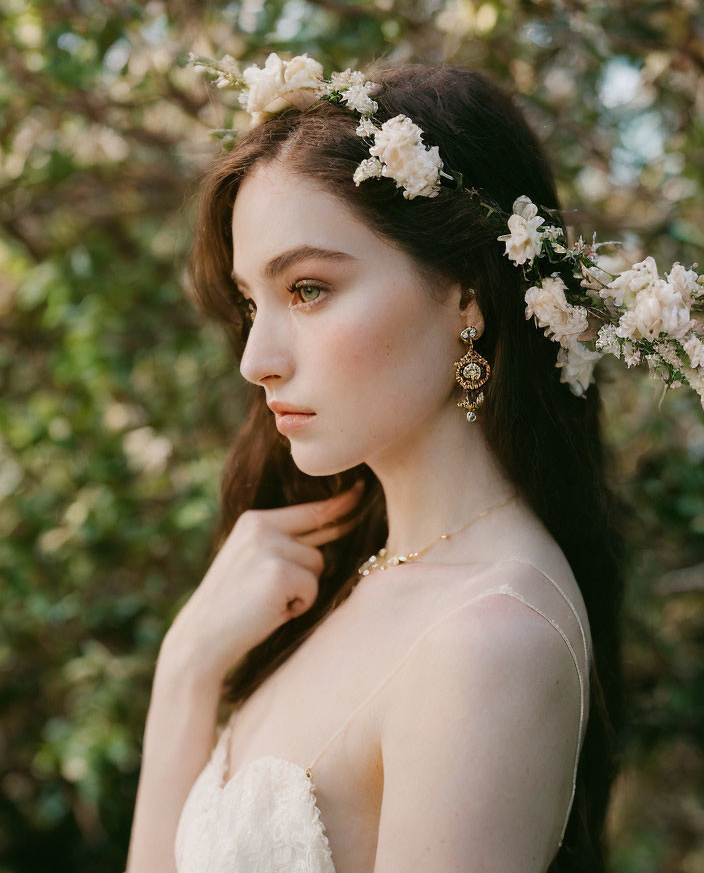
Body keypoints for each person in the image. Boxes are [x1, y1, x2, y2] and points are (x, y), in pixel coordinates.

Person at [125, 59, 627, 872]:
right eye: (254, 302)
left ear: (468, 293)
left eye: (311, 289)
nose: (256, 360)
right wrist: (186, 668)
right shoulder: (355, 571)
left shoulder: (490, 639)